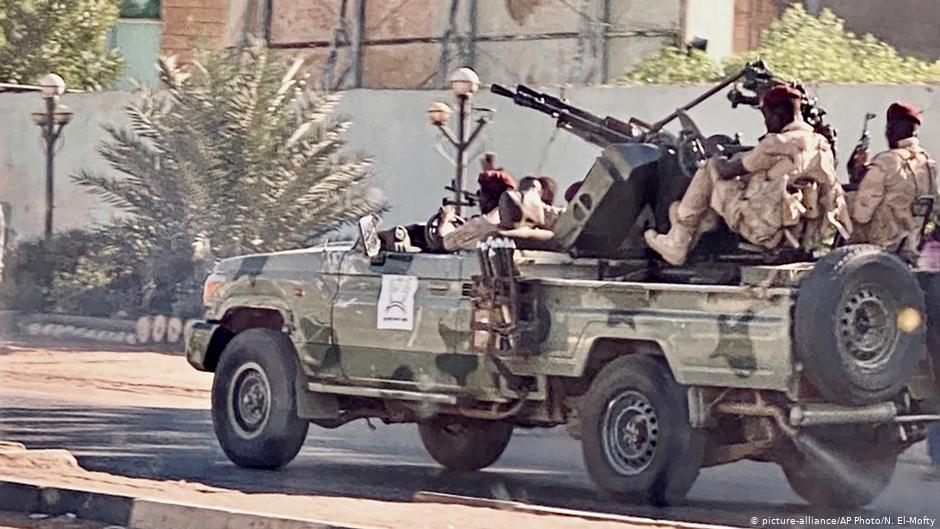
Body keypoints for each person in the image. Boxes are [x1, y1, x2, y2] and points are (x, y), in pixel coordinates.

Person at [644, 85, 848, 266]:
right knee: (738, 183)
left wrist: (713, 150)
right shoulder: (821, 144)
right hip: (799, 235)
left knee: (710, 167)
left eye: (767, 115)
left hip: (763, 230)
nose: (766, 122)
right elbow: (764, 165)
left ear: (778, 114)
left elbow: (725, 170)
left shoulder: (774, 144)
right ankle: (701, 225)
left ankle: (678, 240)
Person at [847, 103, 937, 260]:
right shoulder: (928, 163)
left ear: (892, 128)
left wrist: (855, 181)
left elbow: (861, 213)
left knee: (843, 200)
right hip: (911, 242)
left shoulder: (886, 161)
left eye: (890, 127)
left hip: (880, 243)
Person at [439, 156, 517, 252]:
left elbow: (446, 242)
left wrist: (446, 219)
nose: (479, 199)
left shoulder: (479, 225)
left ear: (487, 196)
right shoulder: (519, 225)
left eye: (480, 193)